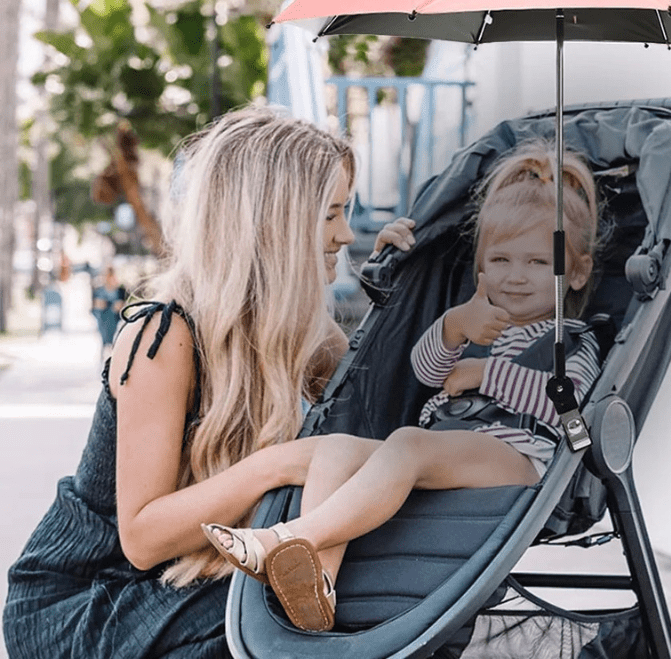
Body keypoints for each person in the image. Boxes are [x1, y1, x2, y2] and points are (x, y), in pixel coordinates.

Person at [2, 106, 382, 659]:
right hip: (88, 598)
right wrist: (279, 464)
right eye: (331, 214)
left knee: (348, 597)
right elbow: (141, 538)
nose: (346, 234)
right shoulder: (165, 335)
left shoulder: (303, 335)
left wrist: (402, 291)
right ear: (275, 221)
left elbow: (373, 424)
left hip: (187, 581)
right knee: (298, 613)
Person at [202, 141, 604, 634]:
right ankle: (318, 580)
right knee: (335, 448)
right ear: (481, 267)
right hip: (448, 450)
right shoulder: (474, 320)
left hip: (521, 459)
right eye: (501, 261)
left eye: (539, 264)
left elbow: (570, 408)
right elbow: (425, 372)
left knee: (408, 443)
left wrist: (485, 374)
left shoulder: (572, 340)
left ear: (577, 271)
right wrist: (455, 328)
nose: (516, 277)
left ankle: (288, 538)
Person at [91, 264, 127, 361]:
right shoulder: (99, 290)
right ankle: (105, 352)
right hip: (103, 318)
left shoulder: (120, 290)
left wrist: (110, 305)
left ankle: (112, 353)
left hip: (115, 319)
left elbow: (120, 306)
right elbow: (96, 305)